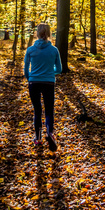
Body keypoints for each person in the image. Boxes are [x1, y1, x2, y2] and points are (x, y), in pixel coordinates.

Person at [24, 23, 62, 151]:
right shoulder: (54, 50)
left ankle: (38, 138)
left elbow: (25, 70)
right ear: (49, 34)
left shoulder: (30, 50)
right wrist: (50, 72)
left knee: (37, 110)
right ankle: (50, 133)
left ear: (37, 33)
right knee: (49, 109)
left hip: (34, 82)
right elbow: (60, 69)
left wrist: (31, 77)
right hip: (49, 82)